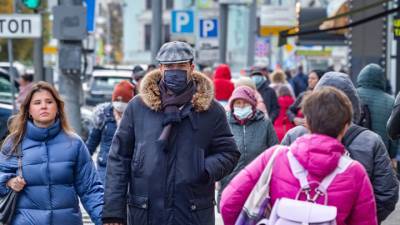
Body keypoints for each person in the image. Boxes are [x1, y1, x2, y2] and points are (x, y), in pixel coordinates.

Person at [102, 41, 240, 225]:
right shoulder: (138, 107)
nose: (175, 70)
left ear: (191, 68)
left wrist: (204, 168)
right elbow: (119, 159)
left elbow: (229, 152)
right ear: (160, 68)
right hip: (145, 212)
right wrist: (113, 212)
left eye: (181, 66)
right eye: (169, 66)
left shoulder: (211, 110)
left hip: (192, 212)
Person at [220, 87, 377, 225]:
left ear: (306, 121)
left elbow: (228, 202)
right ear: (345, 127)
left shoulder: (275, 156)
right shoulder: (356, 173)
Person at [281, 72, 399, 223]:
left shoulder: (295, 136)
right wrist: (361, 218)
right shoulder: (371, 141)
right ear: (352, 105)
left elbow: (273, 183)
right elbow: (387, 193)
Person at [0, 81, 103, 225]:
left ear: (57, 108)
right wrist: (8, 181)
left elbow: (90, 189)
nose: (43, 106)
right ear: (28, 110)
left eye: (49, 101)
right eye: (37, 102)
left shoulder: (74, 143)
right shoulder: (14, 142)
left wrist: (106, 219)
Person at [218, 86, 278, 206]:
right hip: (230, 181)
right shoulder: (223, 122)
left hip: (258, 181)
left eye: (245, 103)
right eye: (238, 103)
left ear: (252, 104)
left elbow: (275, 150)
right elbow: (216, 150)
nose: (241, 106)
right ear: (232, 105)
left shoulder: (264, 123)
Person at [85, 80, 135, 182]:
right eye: (117, 100)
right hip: (104, 166)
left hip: (127, 167)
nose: (120, 104)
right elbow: (92, 141)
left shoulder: (135, 116)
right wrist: (82, 160)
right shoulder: (103, 115)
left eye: (124, 101)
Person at [357, 64, 399, 162]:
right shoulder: (390, 101)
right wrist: (391, 154)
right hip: (381, 155)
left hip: (355, 154)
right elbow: (393, 133)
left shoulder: (353, 95)